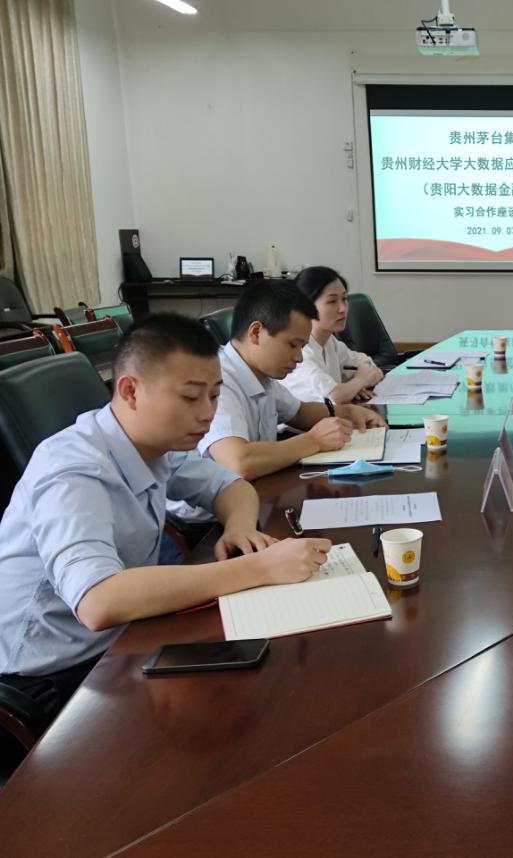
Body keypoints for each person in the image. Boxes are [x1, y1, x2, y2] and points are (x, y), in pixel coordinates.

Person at [0, 314, 333, 719]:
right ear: (130, 391)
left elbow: (231, 486)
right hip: (50, 676)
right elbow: (98, 601)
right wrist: (260, 568)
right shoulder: (71, 470)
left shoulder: (153, 443)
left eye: (214, 396)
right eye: (191, 398)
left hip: (125, 635)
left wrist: (240, 527)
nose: (207, 414)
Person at [200, 280, 385, 481]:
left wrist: (349, 412)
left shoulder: (261, 376)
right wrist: (313, 441)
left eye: (302, 347)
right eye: (292, 345)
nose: (299, 358)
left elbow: (299, 412)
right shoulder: (217, 380)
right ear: (256, 333)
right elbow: (240, 463)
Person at [282, 266, 385, 405]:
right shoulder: (299, 352)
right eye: (332, 301)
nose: (343, 308)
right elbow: (333, 397)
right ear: (305, 305)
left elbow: (370, 366)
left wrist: (352, 388)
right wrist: (359, 382)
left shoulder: (330, 342)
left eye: (344, 299)